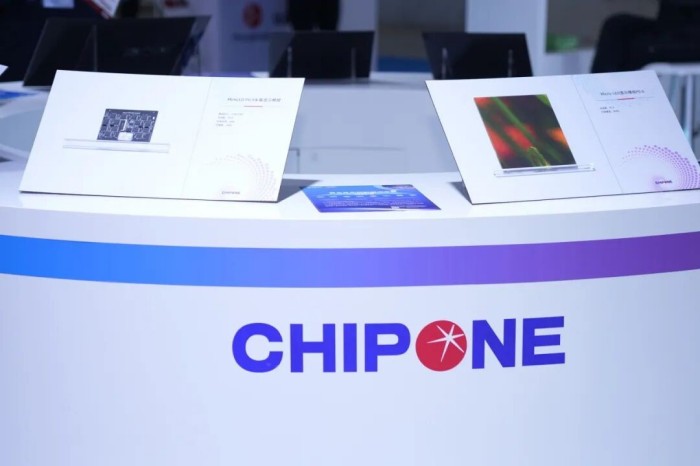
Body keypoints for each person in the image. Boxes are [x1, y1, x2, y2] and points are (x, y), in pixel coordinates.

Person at [591, 0, 700, 72]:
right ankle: (596, 93)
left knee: (636, 49)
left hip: (691, 36)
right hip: (668, 27)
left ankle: (616, 93)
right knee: (616, 25)